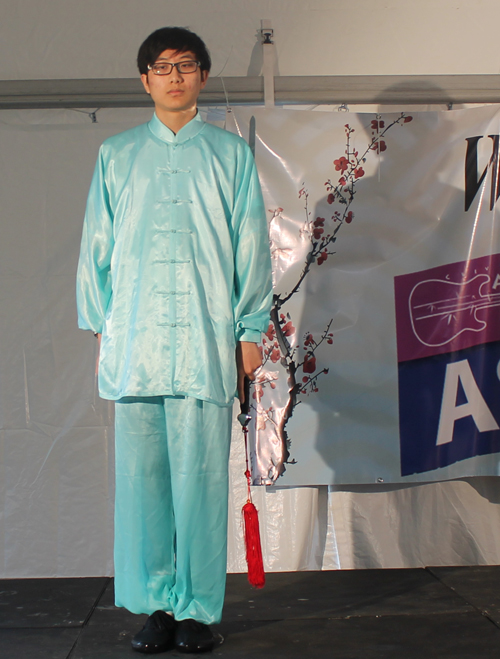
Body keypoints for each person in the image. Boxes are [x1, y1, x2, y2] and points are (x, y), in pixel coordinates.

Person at [76, 26, 272, 654]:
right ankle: (155, 606)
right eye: (162, 67)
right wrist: (102, 325)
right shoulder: (116, 154)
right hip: (136, 346)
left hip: (206, 342)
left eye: (186, 65)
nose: (174, 75)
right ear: (145, 79)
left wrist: (249, 330)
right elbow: (94, 253)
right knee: (142, 485)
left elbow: (250, 248)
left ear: (203, 77)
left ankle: (197, 611)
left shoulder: (230, 155)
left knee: (200, 480)